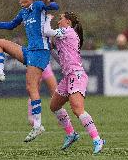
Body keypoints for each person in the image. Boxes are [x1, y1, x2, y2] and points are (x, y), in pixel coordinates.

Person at [0, 0, 59, 142]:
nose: (20, 1)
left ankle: (38, 126)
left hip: (40, 52)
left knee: (31, 87)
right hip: (29, 51)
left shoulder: (38, 6)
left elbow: (55, 6)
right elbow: (11, 25)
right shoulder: (24, 12)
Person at [43, 12, 105, 154]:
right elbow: (61, 60)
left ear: (68, 22)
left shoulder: (68, 32)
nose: (58, 22)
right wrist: (50, 48)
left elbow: (47, 31)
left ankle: (97, 139)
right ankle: (71, 134)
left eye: (61, 19)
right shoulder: (62, 37)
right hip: (68, 76)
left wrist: (47, 18)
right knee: (54, 106)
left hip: (76, 75)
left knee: (77, 109)